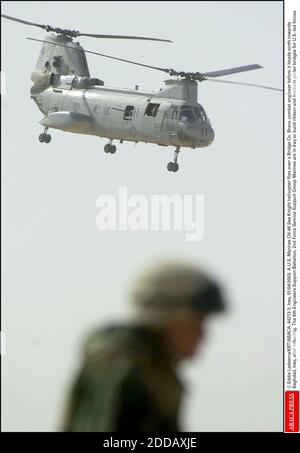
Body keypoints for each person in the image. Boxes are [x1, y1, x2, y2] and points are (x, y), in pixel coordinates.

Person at [62, 260, 226, 432]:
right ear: (166, 317)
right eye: (195, 321)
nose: (202, 334)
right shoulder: (119, 368)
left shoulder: (154, 372)